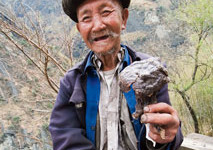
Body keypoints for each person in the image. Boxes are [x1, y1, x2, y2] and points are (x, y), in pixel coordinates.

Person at [49, 0, 184, 149]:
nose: (98, 25)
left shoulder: (150, 71)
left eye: (106, 12)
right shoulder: (71, 82)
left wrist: (165, 136)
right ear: (80, 29)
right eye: (86, 18)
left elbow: (166, 134)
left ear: (124, 18)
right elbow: (65, 139)